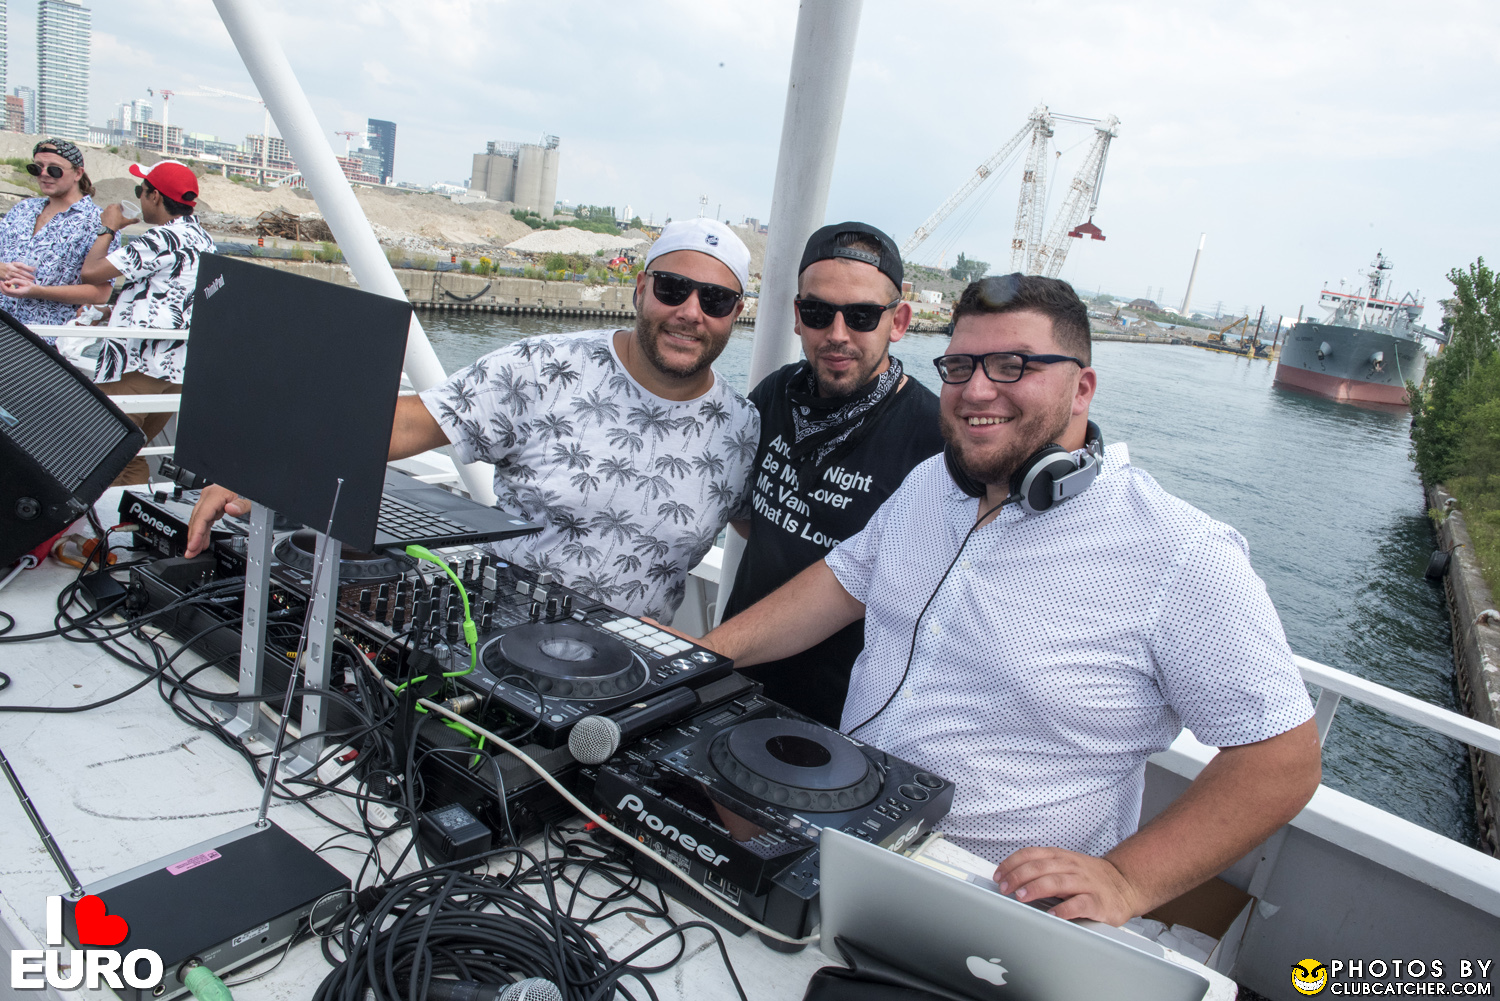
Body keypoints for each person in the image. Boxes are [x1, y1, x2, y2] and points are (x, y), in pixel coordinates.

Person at [702, 273, 1321, 925]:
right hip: (840, 841)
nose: (976, 390)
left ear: (1082, 388)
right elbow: (841, 583)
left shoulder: (1180, 552)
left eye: (1012, 366)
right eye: (960, 366)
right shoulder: (930, 484)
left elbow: (1282, 759)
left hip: (996, 910)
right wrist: (696, 655)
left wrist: (1125, 880)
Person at [185, 218, 760, 626]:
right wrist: (262, 467)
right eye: (672, 288)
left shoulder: (742, 430)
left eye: (714, 300)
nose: (690, 312)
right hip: (493, 638)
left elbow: (767, 531)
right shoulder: (545, 367)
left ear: (736, 313)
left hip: (628, 673)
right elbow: (407, 424)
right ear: (640, 289)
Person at [722, 222, 942, 727]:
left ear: (899, 321)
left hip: (838, 718)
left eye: (862, 315)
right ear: (798, 317)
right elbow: (754, 518)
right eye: (819, 313)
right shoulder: (777, 393)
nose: (837, 335)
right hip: (734, 682)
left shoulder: (931, 438)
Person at [80, 161, 215, 486]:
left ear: (155, 196)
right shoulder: (204, 239)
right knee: (130, 454)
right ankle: (132, 513)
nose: (139, 197)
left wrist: (109, 227)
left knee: (107, 451)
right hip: (177, 368)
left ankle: (111, 518)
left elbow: (91, 272)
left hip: (139, 364)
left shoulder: (161, 238)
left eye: (140, 190)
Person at [0, 138, 116, 342]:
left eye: (54, 169)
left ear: (78, 173)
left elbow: (101, 292)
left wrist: (38, 291)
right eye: (37, 168)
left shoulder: (97, 222)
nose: (44, 174)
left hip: (47, 340)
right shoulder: (22, 209)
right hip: (4, 328)